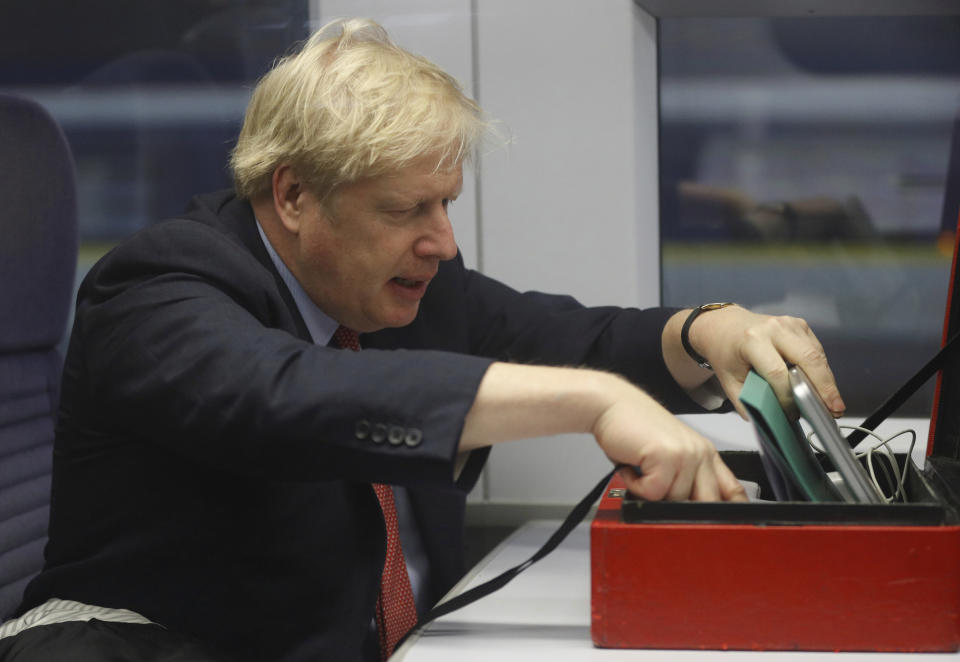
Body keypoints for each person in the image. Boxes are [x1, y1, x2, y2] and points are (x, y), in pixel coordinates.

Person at [4, 17, 844, 662]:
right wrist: (593, 404)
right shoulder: (156, 287)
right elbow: (282, 393)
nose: (442, 241)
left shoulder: (407, 285)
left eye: (446, 202)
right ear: (294, 195)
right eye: (407, 210)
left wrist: (710, 330)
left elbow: (577, 338)